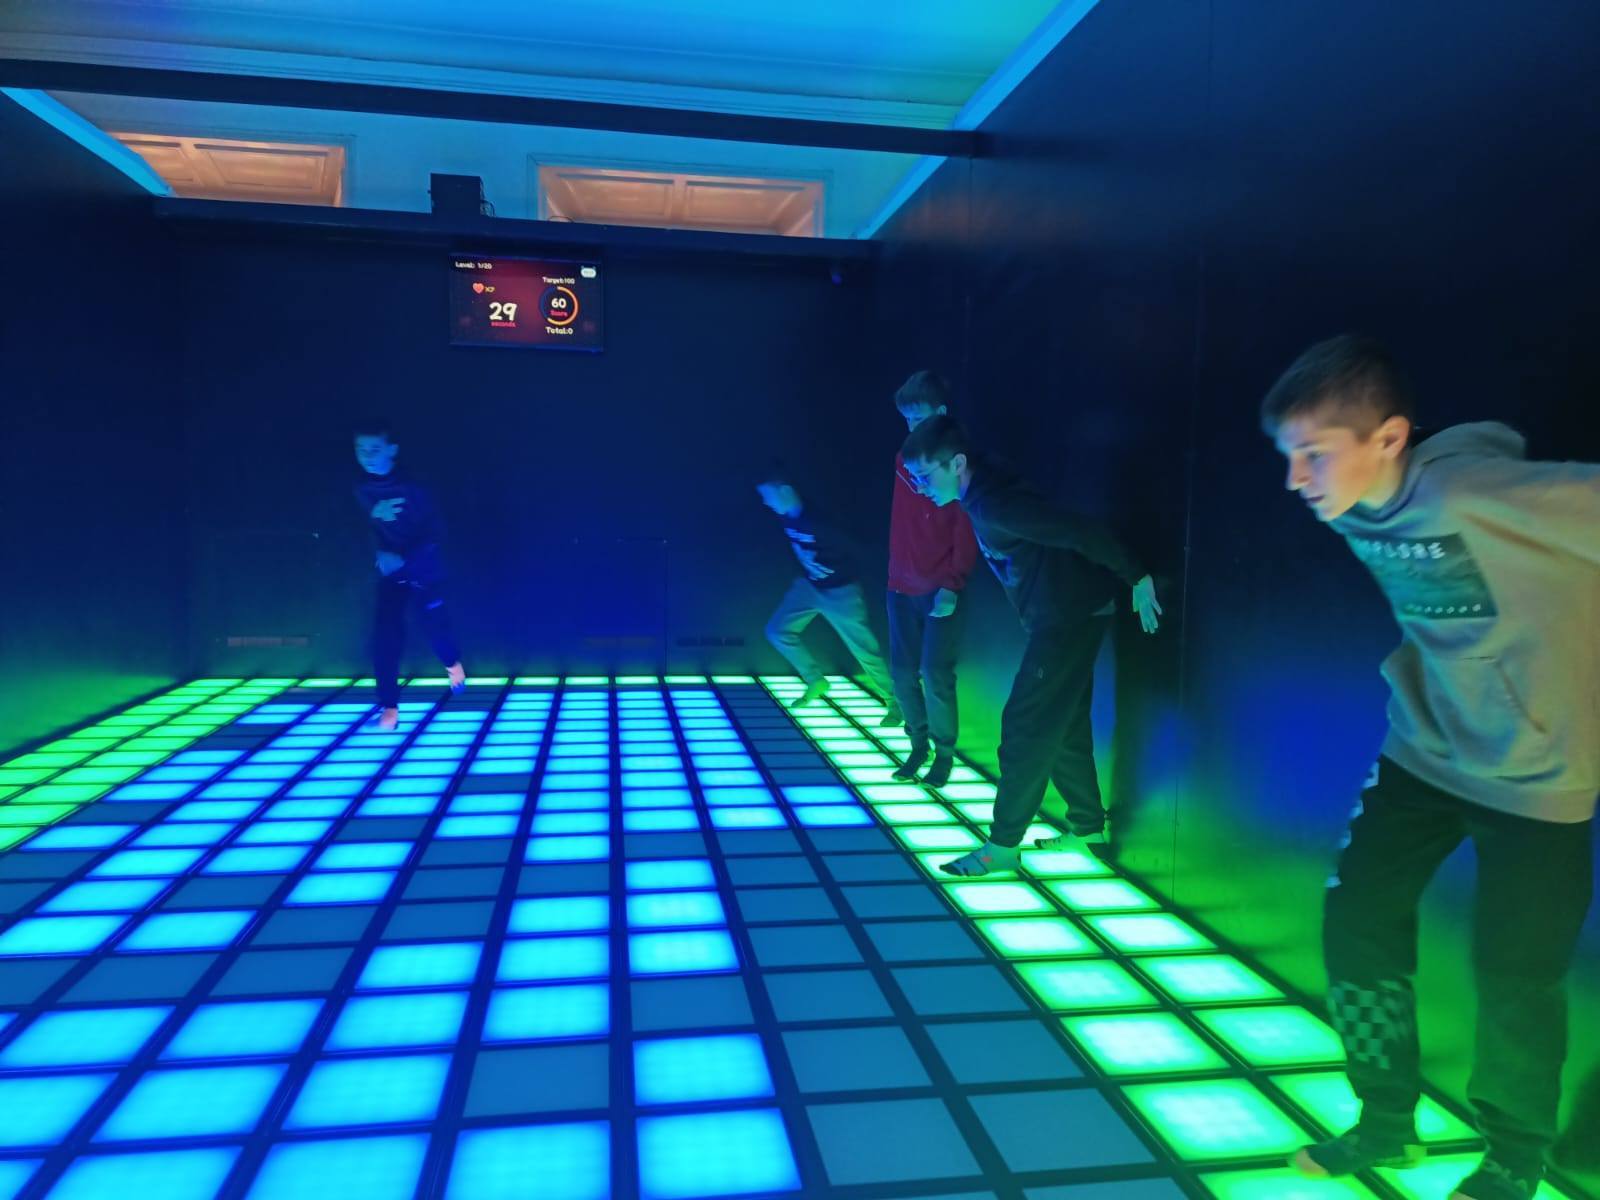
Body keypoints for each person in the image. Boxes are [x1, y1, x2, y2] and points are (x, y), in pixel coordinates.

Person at [1264, 335, 1597, 1200]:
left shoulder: (1470, 490)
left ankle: (1514, 1157)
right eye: (1288, 456)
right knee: (1357, 920)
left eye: (1313, 454)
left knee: (1517, 975)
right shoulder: (1355, 503)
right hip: (1424, 752)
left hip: (1538, 777)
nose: (1296, 480)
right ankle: (1385, 1123)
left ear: (1388, 438)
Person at [899, 416, 1161, 876]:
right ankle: (1088, 831)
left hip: (1068, 618)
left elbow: (1078, 531)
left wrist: (1136, 576)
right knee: (1064, 724)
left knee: (1024, 724)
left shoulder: (994, 505)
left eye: (925, 476)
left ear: (956, 464)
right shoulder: (982, 492)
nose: (920, 488)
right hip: (1068, 613)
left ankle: (1002, 846)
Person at [887, 371, 980, 786]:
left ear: (940, 412)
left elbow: (965, 526)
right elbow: (903, 521)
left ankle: (943, 754)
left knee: (936, 672)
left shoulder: (957, 463)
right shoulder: (904, 459)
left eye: (918, 417)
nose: (911, 426)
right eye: (907, 419)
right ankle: (918, 746)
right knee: (902, 671)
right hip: (901, 583)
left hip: (940, 583)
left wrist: (952, 582)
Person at [757, 464, 900, 721]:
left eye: (768, 495)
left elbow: (858, 547)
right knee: (777, 631)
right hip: (809, 586)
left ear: (785, 491)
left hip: (841, 592)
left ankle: (894, 701)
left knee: (864, 649)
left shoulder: (821, 520)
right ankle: (815, 680)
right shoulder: (786, 515)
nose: (766, 503)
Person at [353, 419, 466, 729]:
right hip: (390, 575)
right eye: (361, 449)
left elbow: (436, 531)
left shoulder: (415, 487)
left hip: (424, 571)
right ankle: (389, 706)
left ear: (392, 450)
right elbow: (364, 529)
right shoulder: (360, 489)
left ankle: (452, 665)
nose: (368, 456)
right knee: (385, 637)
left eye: (375, 449)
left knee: (435, 629)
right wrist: (379, 554)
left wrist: (404, 558)